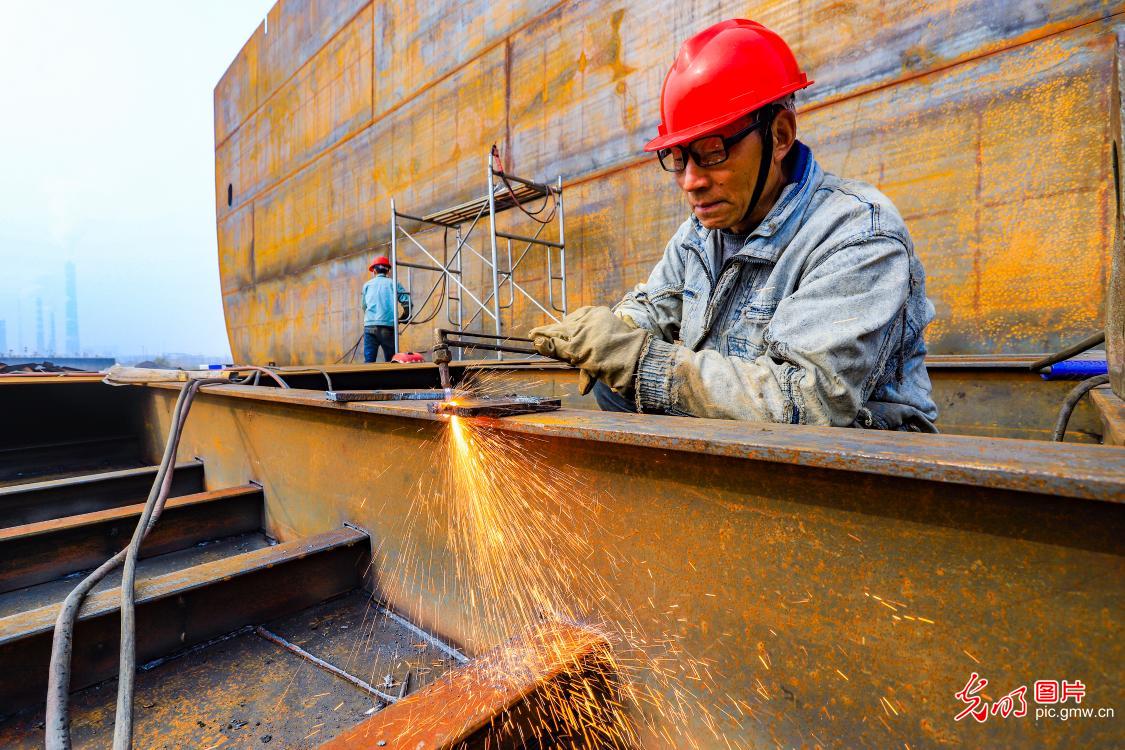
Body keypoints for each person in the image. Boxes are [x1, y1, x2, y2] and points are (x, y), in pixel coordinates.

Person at [530, 19, 938, 431]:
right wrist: (620, 327)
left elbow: (806, 400)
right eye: (678, 159)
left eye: (713, 151)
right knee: (612, 383)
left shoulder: (857, 232)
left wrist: (638, 359)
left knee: (635, 373)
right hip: (749, 450)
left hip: (856, 470)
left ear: (779, 136)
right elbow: (659, 300)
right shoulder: (702, 232)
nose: (691, 181)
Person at [361, 256, 411, 363]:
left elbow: (364, 306)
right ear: (388, 270)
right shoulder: (394, 283)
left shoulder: (367, 285)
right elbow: (407, 304)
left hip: (369, 327)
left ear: (374, 270)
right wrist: (404, 318)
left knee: (369, 361)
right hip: (387, 327)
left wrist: (372, 318)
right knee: (391, 361)